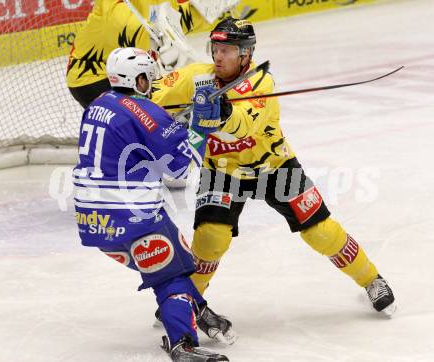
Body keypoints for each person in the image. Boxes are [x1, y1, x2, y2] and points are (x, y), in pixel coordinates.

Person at [151, 17, 396, 316]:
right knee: (210, 238)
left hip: (274, 167)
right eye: (215, 48)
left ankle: (372, 279)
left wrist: (222, 112)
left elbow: (242, 127)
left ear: (245, 54)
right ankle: (185, 307)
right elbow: (151, 95)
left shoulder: (261, 83)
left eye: (227, 50)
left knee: (321, 232)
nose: (218, 56)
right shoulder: (197, 77)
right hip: (223, 172)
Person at [73, 46, 235, 362]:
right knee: (169, 275)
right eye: (148, 77)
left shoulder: (97, 104)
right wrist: (200, 124)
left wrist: (171, 126)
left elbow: (137, 134)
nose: (152, 82)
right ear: (138, 79)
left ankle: (198, 309)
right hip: (130, 215)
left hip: (92, 220)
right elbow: (178, 169)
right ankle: (183, 345)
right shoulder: (148, 114)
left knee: (175, 257)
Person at [66, 0, 238, 109]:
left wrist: (206, 9)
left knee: (173, 93)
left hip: (126, 70)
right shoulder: (112, 7)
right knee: (160, 107)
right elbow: (144, 35)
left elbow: (176, 21)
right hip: (92, 79)